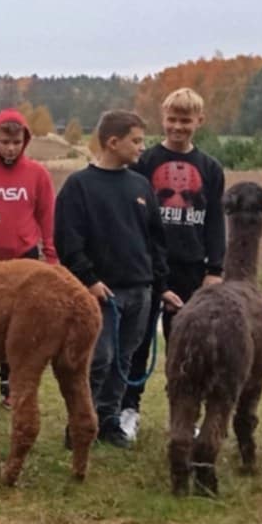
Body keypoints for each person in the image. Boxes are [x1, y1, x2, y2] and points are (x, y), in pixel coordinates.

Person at [56, 110, 175, 449]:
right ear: (113, 141)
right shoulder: (79, 186)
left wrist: (161, 285)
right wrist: (90, 280)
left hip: (141, 291)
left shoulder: (140, 186)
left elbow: (155, 241)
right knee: (99, 359)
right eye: (136, 141)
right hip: (100, 294)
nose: (142, 147)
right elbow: (69, 241)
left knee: (123, 361)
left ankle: (108, 421)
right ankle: (80, 423)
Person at [119, 87, 225, 440]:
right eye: (172, 119)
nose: (178, 127)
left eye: (186, 120)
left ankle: (183, 415)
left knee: (186, 349)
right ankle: (127, 410)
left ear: (200, 121)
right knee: (136, 344)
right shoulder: (144, 162)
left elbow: (214, 222)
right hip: (146, 269)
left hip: (191, 271)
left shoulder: (210, 169)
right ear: (162, 120)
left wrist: (215, 269)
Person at [0, 107, 58, 405]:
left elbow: (47, 217)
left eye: (16, 143)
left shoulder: (38, 175)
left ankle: (11, 384)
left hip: (22, 258)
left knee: (19, 324)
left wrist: (51, 256)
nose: (10, 148)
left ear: (24, 142)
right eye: (4, 142)